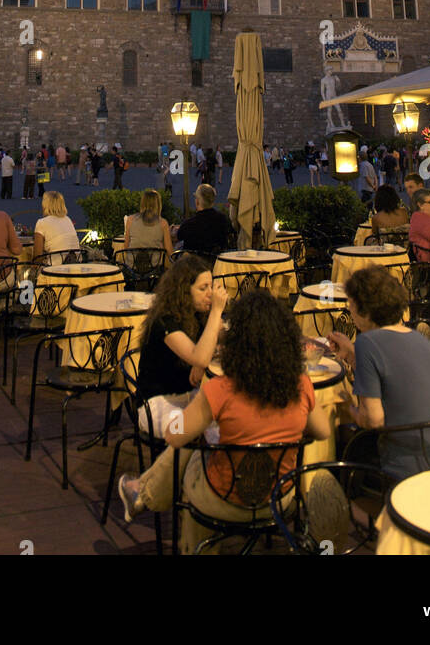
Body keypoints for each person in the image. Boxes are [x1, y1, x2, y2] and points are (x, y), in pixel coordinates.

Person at [119, 288, 331, 554]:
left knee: (190, 449)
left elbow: (174, 436)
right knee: (201, 445)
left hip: (224, 499)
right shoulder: (301, 384)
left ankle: (150, 499)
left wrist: (196, 419)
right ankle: (143, 492)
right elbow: (322, 431)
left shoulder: (219, 390)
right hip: (280, 498)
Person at [327, 266, 430, 483]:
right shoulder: (416, 337)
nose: (349, 310)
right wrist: (352, 354)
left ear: (364, 311)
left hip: (408, 457)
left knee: (343, 444)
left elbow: (373, 420)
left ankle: (352, 510)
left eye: (350, 304)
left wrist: (347, 406)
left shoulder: (367, 343)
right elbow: (394, 373)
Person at [135, 255, 228, 410]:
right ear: (183, 291)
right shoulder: (165, 320)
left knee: (226, 416)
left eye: (211, 286)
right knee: (213, 424)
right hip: (158, 404)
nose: (210, 293)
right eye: (203, 288)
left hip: (189, 395)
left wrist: (200, 364)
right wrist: (216, 312)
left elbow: (219, 341)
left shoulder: (198, 314)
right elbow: (200, 358)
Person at [175, 184, 234, 258]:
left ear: (197, 202)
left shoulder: (189, 225)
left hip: (194, 266)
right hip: (216, 263)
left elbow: (179, 236)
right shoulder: (222, 220)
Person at [123, 188, 174, 262]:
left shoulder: (130, 220)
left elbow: (126, 247)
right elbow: (169, 251)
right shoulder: (163, 223)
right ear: (158, 204)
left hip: (132, 268)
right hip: (155, 268)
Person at [32, 191, 79, 265]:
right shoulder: (68, 219)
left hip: (55, 269)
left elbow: (37, 257)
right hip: (75, 265)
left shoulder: (42, 223)